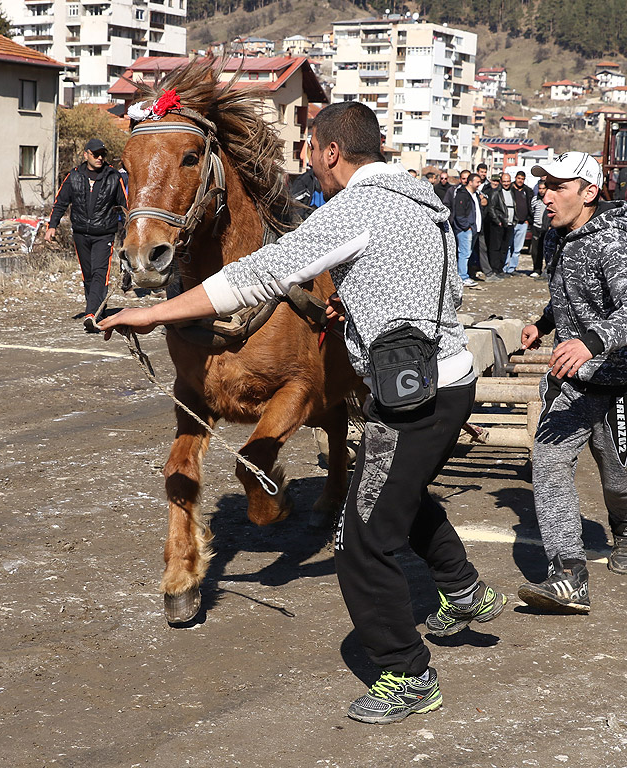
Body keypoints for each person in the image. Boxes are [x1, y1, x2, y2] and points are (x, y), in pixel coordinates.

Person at [99, 101, 507, 723]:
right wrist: (365, 306)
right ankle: (467, 592)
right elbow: (440, 290)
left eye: (311, 152)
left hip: (414, 399)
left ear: (331, 151)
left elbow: (257, 274)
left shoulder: (357, 208)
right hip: (443, 382)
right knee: (398, 492)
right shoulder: (424, 200)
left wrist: (149, 313)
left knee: (359, 539)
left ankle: (407, 672)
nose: (308, 165)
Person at [517, 151, 627, 613]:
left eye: (558, 186)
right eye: (544, 185)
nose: (546, 194)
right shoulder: (560, 237)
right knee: (549, 462)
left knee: (618, 481)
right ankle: (568, 574)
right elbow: (573, 299)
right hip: (573, 383)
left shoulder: (614, 244)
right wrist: (544, 322)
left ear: (589, 193)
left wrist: (592, 342)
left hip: (622, 384)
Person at [46, 137, 128, 332]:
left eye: (102, 154)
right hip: (81, 233)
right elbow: (60, 203)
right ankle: (98, 308)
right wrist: (52, 226)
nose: (100, 158)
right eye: (95, 154)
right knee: (89, 274)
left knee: (100, 273)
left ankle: (91, 313)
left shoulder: (113, 177)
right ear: (86, 155)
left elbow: (125, 205)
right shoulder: (73, 176)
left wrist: (131, 230)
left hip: (104, 233)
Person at [451, 171, 484, 289]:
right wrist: (466, 227)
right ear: (470, 182)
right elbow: (459, 214)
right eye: (477, 182)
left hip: (474, 229)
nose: (479, 184)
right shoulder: (462, 195)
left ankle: (465, 275)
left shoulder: (475, 195)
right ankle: (462, 277)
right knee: (464, 253)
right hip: (465, 229)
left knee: (468, 253)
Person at [482, 173, 511, 278]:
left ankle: (499, 268)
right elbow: (491, 208)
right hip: (491, 223)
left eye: (497, 181)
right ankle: (494, 268)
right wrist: (497, 220)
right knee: (494, 247)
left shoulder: (507, 192)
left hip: (503, 223)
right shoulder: (490, 191)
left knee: (503, 247)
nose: (495, 183)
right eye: (493, 181)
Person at [505, 170, 532, 274]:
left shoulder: (527, 191)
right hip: (511, 223)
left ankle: (512, 268)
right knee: (508, 247)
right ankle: (504, 267)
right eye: (519, 178)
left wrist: (528, 220)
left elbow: (530, 206)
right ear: (515, 178)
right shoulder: (509, 189)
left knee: (517, 248)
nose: (520, 181)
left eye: (522, 179)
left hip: (523, 223)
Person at [528, 179, 552, 279]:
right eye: (540, 189)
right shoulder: (535, 199)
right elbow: (532, 211)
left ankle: (547, 270)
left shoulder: (549, 200)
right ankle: (536, 269)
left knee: (547, 250)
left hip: (547, 228)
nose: (541, 191)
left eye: (543, 189)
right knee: (535, 251)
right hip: (536, 227)